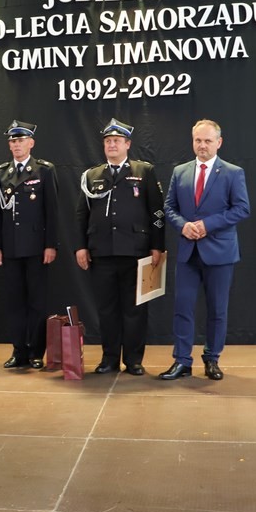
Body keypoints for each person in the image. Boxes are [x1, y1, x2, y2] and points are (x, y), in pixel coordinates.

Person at [159, 119, 250, 382]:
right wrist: (183, 225)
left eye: (208, 141)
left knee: (217, 310)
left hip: (220, 253)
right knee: (182, 308)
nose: (202, 145)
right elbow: (169, 207)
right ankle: (182, 361)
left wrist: (207, 225)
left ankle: (212, 359)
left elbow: (242, 209)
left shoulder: (233, 173)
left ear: (218, 143)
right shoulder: (180, 172)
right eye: (198, 140)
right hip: (188, 253)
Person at [74, 119, 165, 375]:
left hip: (136, 251)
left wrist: (157, 246)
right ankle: (110, 358)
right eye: (107, 141)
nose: (112, 144)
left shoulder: (144, 171)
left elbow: (157, 212)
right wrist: (80, 246)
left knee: (135, 309)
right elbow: (81, 214)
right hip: (101, 252)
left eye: (116, 140)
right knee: (107, 310)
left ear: (128, 144)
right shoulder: (91, 175)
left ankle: (134, 360)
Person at [0, 121, 59, 370]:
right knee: (15, 302)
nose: (16, 145)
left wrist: (51, 244)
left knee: (37, 302)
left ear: (31, 143)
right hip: (10, 248)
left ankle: (36, 352)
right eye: (12, 141)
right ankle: (18, 351)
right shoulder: (1, 173)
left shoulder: (44, 170)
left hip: (36, 247)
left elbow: (52, 211)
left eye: (20, 140)